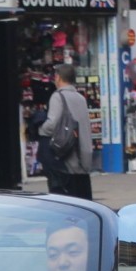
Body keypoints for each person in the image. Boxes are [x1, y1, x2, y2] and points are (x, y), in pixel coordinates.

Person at [38, 64, 93, 200]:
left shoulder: (58, 96)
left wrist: (41, 130)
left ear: (58, 78)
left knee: (65, 199)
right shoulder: (81, 98)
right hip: (82, 157)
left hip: (66, 157)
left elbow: (52, 123)